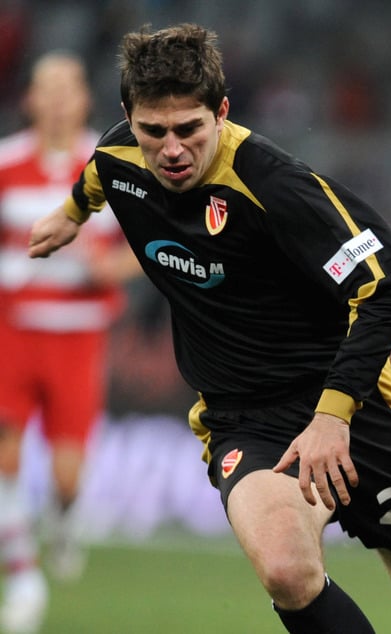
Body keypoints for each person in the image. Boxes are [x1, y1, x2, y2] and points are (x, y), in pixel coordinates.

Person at [27, 24, 391, 634]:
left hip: (355, 410)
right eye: (154, 132)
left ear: (221, 113)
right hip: (244, 418)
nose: (171, 150)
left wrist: (333, 416)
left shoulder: (276, 187)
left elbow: (385, 286)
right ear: (128, 118)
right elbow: (97, 176)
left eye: (190, 130)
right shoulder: (118, 157)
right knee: (286, 572)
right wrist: (70, 215)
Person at [0, 51, 139, 634]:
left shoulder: (110, 164)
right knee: (4, 453)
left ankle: (60, 522)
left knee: (65, 478)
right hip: (13, 330)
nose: (56, 99)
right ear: (30, 99)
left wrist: (113, 267)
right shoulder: (6, 163)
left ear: (85, 99)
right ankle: (23, 572)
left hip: (80, 336)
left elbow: (151, 246)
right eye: (46, 88)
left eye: (68, 88)